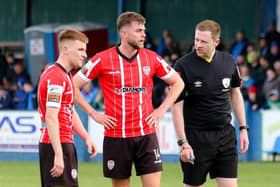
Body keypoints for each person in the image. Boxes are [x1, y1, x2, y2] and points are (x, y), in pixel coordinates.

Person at [73, 11, 184, 187]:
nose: (144, 34)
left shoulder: (151, 57)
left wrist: (162, 109)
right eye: (139, 30)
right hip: (116, 136)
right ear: (123, 33)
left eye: (144, 30)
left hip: (146, 135)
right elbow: (73, 85)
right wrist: (93, 113)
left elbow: (178, 83)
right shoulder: (102, 59)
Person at [171, 19, 249, 187]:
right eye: (196, 39)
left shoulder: (228, 61)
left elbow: (235, 93)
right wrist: (183, 143)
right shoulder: (183, 65)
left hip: (226, 136)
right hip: (196, 139)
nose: (198, 44)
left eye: (203, 42)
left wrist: (243, 128)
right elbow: (176, 106)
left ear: (216, 42)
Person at [37, 29, 97, 187]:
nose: (84, 54)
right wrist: (58, 154)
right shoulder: (55, 77)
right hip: (56, 145)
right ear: (65, 49)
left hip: (64, 144)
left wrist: (86, 137)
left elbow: (70, 110)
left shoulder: (65, 76)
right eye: (80, 49)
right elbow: (51, 117)